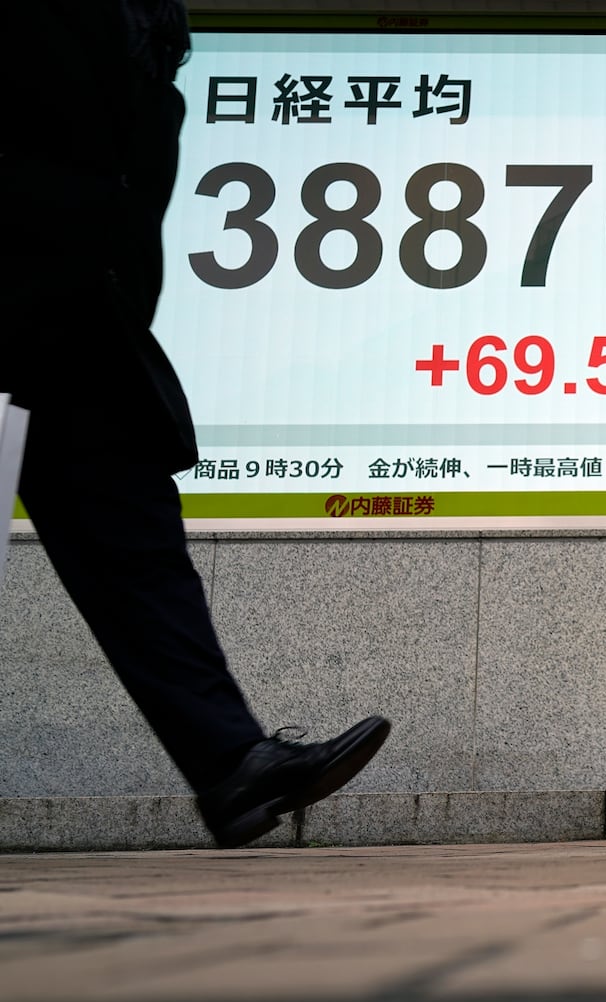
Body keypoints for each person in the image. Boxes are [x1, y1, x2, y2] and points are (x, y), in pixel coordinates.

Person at [1, 1, 389, 848]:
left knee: (134, 537)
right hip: (21, 298)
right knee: (128, 534)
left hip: (76, 321)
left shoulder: (139, 30)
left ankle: (229, 758)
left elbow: (123, 174)